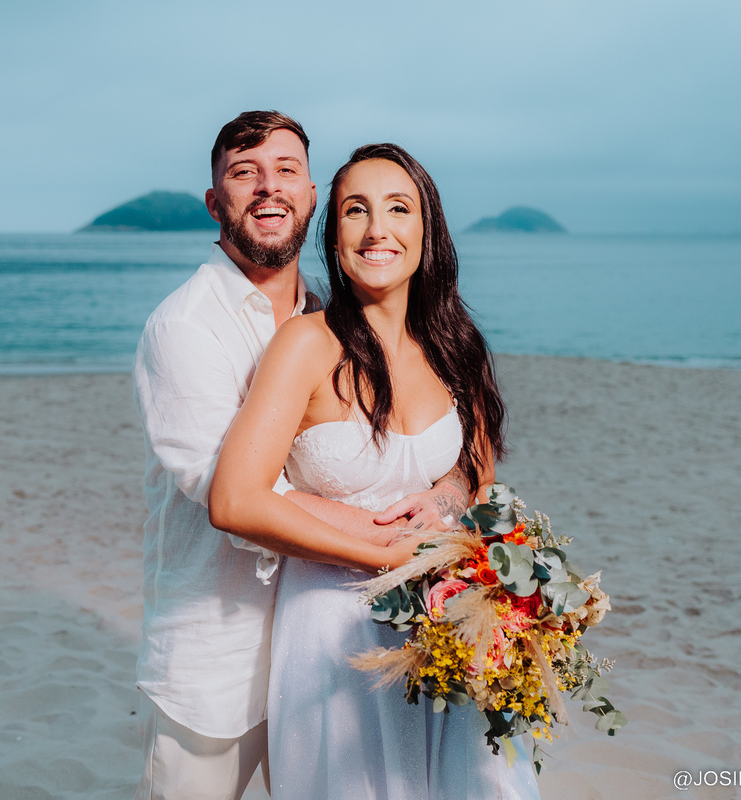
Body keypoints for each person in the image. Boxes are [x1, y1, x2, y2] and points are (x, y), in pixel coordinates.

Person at [132, 112, 468, 800]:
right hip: (219, 650)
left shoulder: (332, 321)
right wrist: (407, 548)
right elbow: (233, 495)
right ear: (214, 202)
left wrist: (445, 501)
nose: (268, 188)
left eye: (286, 170)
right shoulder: (186, 327)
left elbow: (449, 445)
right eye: (244, 173)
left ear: (311, 198)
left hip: (332, 652)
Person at [210, 143, 541, 798]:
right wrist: (381, 553)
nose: (377, 229)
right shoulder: (306, 344)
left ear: (427, 230)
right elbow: (234, 500)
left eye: (398, 208)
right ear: (335, 236)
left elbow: (476, 463)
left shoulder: (453, 341)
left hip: (446, 618)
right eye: (355, 211)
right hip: (337, 631)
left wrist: (449, 497)